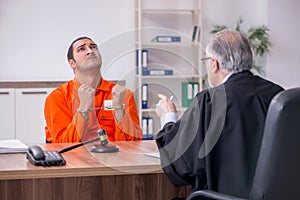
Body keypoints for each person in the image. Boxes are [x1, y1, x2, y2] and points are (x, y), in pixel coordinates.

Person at [155, 29, 284, 198]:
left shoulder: (210, 102)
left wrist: (168, 117)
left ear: (214, 64)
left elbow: (180, 165)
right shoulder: (279, 95)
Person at [44, 36, 142, 143]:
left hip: (116, 157)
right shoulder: (57, 98)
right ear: (72, 63)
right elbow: (63, 145)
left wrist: (119, 110)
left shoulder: (123, 95)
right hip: (76, 158)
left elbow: (134, 144)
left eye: (93, 47)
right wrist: (83, 109)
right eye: (82, 49)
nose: (90, 51)